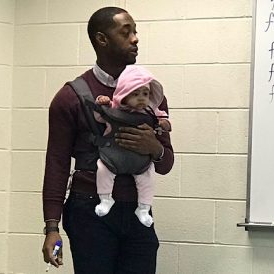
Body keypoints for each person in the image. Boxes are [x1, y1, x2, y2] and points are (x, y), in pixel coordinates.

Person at [41, 6, 174, 274]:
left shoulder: (150, 96)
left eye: (135, 32)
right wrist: (52, 228)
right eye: (126, 32)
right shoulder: (70, 97)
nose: (135, 38)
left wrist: (155, 148)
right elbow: (56, 164)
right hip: (88, 211)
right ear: (102, 39)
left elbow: (166, 163)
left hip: (138, 211)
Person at [93, 65, 171, 227]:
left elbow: (162, 119)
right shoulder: (114, 109)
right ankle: (105, 198)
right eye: (135, 94)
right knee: (102, 168)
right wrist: (102, 103)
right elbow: (100, 116)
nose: (142, 98)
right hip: (114, 155)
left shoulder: (152, 112)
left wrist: (164, 124)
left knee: (147, 177)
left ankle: (143, 208)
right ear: (124, 95)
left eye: (145, 94)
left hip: (140, 161)